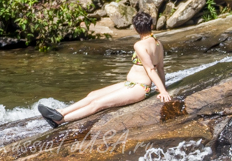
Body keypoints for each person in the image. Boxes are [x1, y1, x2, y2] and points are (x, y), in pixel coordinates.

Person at [37, 12, 171, 128]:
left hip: (140, 88)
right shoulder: (158, 43)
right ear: (151, 26)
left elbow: (151, 69)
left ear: (136, 28)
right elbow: (160, 68)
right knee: (93, 95)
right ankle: (61, 111)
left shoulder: (140, 45)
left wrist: (163, 91)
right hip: (131, 85)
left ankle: (59, 120)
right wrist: (162, 87)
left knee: (98, 103)